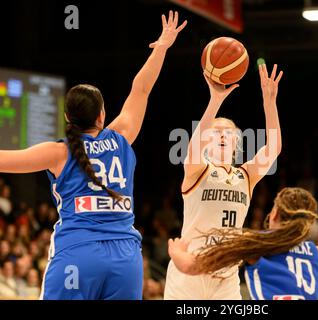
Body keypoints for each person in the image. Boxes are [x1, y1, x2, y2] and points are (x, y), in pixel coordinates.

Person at [0, 10, 186, 300]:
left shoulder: (57, 152)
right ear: (102, 114)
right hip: (126, 259)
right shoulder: (122, 136)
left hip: (78, 252)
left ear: (67, 117)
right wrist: (162, 46)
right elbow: (143, 88)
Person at [163, 63, 283, 299]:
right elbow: (194, 147)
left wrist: (270, 102)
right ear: (206, 139)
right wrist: (215, 100)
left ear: (237, 142)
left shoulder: (245, 175)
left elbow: (274, 148)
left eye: (229, 133)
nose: (223, 136)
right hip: (190, 270)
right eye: (216, 132)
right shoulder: (198, 169)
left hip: (226, 276)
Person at [168, 187, 318, 300]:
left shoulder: (256, 245)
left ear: (273, 215)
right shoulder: (317, 253)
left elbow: (189, 266)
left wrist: (177, 252)